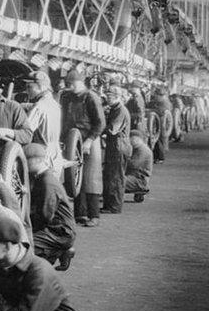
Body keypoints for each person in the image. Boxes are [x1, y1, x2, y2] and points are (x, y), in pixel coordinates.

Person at [59, 69, 105, 227]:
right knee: (74, 177)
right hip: (72, 141)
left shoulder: (91, 97)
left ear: (80, 83)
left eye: (71, 84)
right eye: (68, 84)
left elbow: (100, 123)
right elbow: (63, 119)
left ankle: (94, 215)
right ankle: (80, 214)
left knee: (91, 178)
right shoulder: (67, 97)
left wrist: (90, 140)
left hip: (89, 140)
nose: (69, 87)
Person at [25, 143, 76, 270]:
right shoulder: (41, 177)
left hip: (59, 231)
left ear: (39, 160)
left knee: (24, 248)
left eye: (27, 161)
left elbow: (45, 215)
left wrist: (28, 231)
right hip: (54, 228)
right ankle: (60, 251)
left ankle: (58, 251)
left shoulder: (47, 182)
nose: (24, 164)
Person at [22, 74, 62, 174]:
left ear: (40, 86)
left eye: (29, 87)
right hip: (55, 154)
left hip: (41, 159)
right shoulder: (53, 103)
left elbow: (25, 132)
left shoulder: (39, 106)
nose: (27, 91)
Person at [101, 86, 132, 214]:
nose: (107, 99)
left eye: (109, 97)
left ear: (117, 97)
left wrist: (99, 128)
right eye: (107, 96)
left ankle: (115, 207)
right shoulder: (115, 109)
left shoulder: (120, 111)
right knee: (109, 175)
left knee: (116, 177)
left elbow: (112, 129)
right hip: (114, 146)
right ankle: (109, 205)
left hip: (119, 146)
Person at [125, 129, 154, 203]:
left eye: (130, 139)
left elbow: (133, 164)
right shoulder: (138, 149)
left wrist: (124, 159)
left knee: (117, 181)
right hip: (136, 177)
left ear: (136, 139)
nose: (129, 141)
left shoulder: (142, 150)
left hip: (139, 180)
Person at [149, 88, 173, 163]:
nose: (155, 97)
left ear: (160, 96)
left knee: (160, 141)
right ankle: (158, 157)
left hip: (162, 124)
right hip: (161, 123)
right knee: (160, 141)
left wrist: (150, 110)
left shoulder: (165, 103)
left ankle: (160, 158)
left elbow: (161, 112)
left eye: (156, 95)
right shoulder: (163, 101)